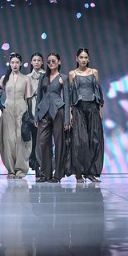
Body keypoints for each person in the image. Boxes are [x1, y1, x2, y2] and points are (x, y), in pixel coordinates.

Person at [66, 48, 105, 182]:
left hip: (93, 108)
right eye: (81, 57)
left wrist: (100, 110)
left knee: (94, 140)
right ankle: (78, 172)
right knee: (80, 141)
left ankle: (90, 172)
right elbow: (70, 95)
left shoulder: (94, 72)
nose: (83, 60)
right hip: (78, 109)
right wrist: (70, 113)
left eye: (85, 57)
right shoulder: (72, 74)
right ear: (76, 58)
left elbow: (98, 92)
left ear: (88, 59)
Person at [35, 53, 70, 183]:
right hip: (44, 111)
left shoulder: (63, 78)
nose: (50, 63)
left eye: (53, 61)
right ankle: (45, 173)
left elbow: (67, 99)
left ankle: (58, 174)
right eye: (49, 61)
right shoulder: (43, 77)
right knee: (42, 142)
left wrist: (67, 120)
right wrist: (36, 116)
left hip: (58, 111)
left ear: (59, 62)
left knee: (59, 143)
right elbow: (38, 97)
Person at [0, 53, 32, 179]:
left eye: (17, 62)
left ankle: (20, 169)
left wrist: (29, 114)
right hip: (8, 109)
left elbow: (28, 98)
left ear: (21, 63)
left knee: (20, 138)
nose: (15, 65)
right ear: (9, 63)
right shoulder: (4, 78)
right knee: (8, 139)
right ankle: (11, 169)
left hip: (22, 108)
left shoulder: (26, 79)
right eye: (12, 62)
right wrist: (1, 107)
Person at [27, 53, 45, 177]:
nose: (37, 62)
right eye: (34, 60)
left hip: (45, 109)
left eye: (39, 60)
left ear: (42, 62)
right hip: (32, 110)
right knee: (33, 140)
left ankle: (44, 166)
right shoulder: (27, 77)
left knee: (44, 141)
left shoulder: (47, 76)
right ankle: (36, 166)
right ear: (31, 62)